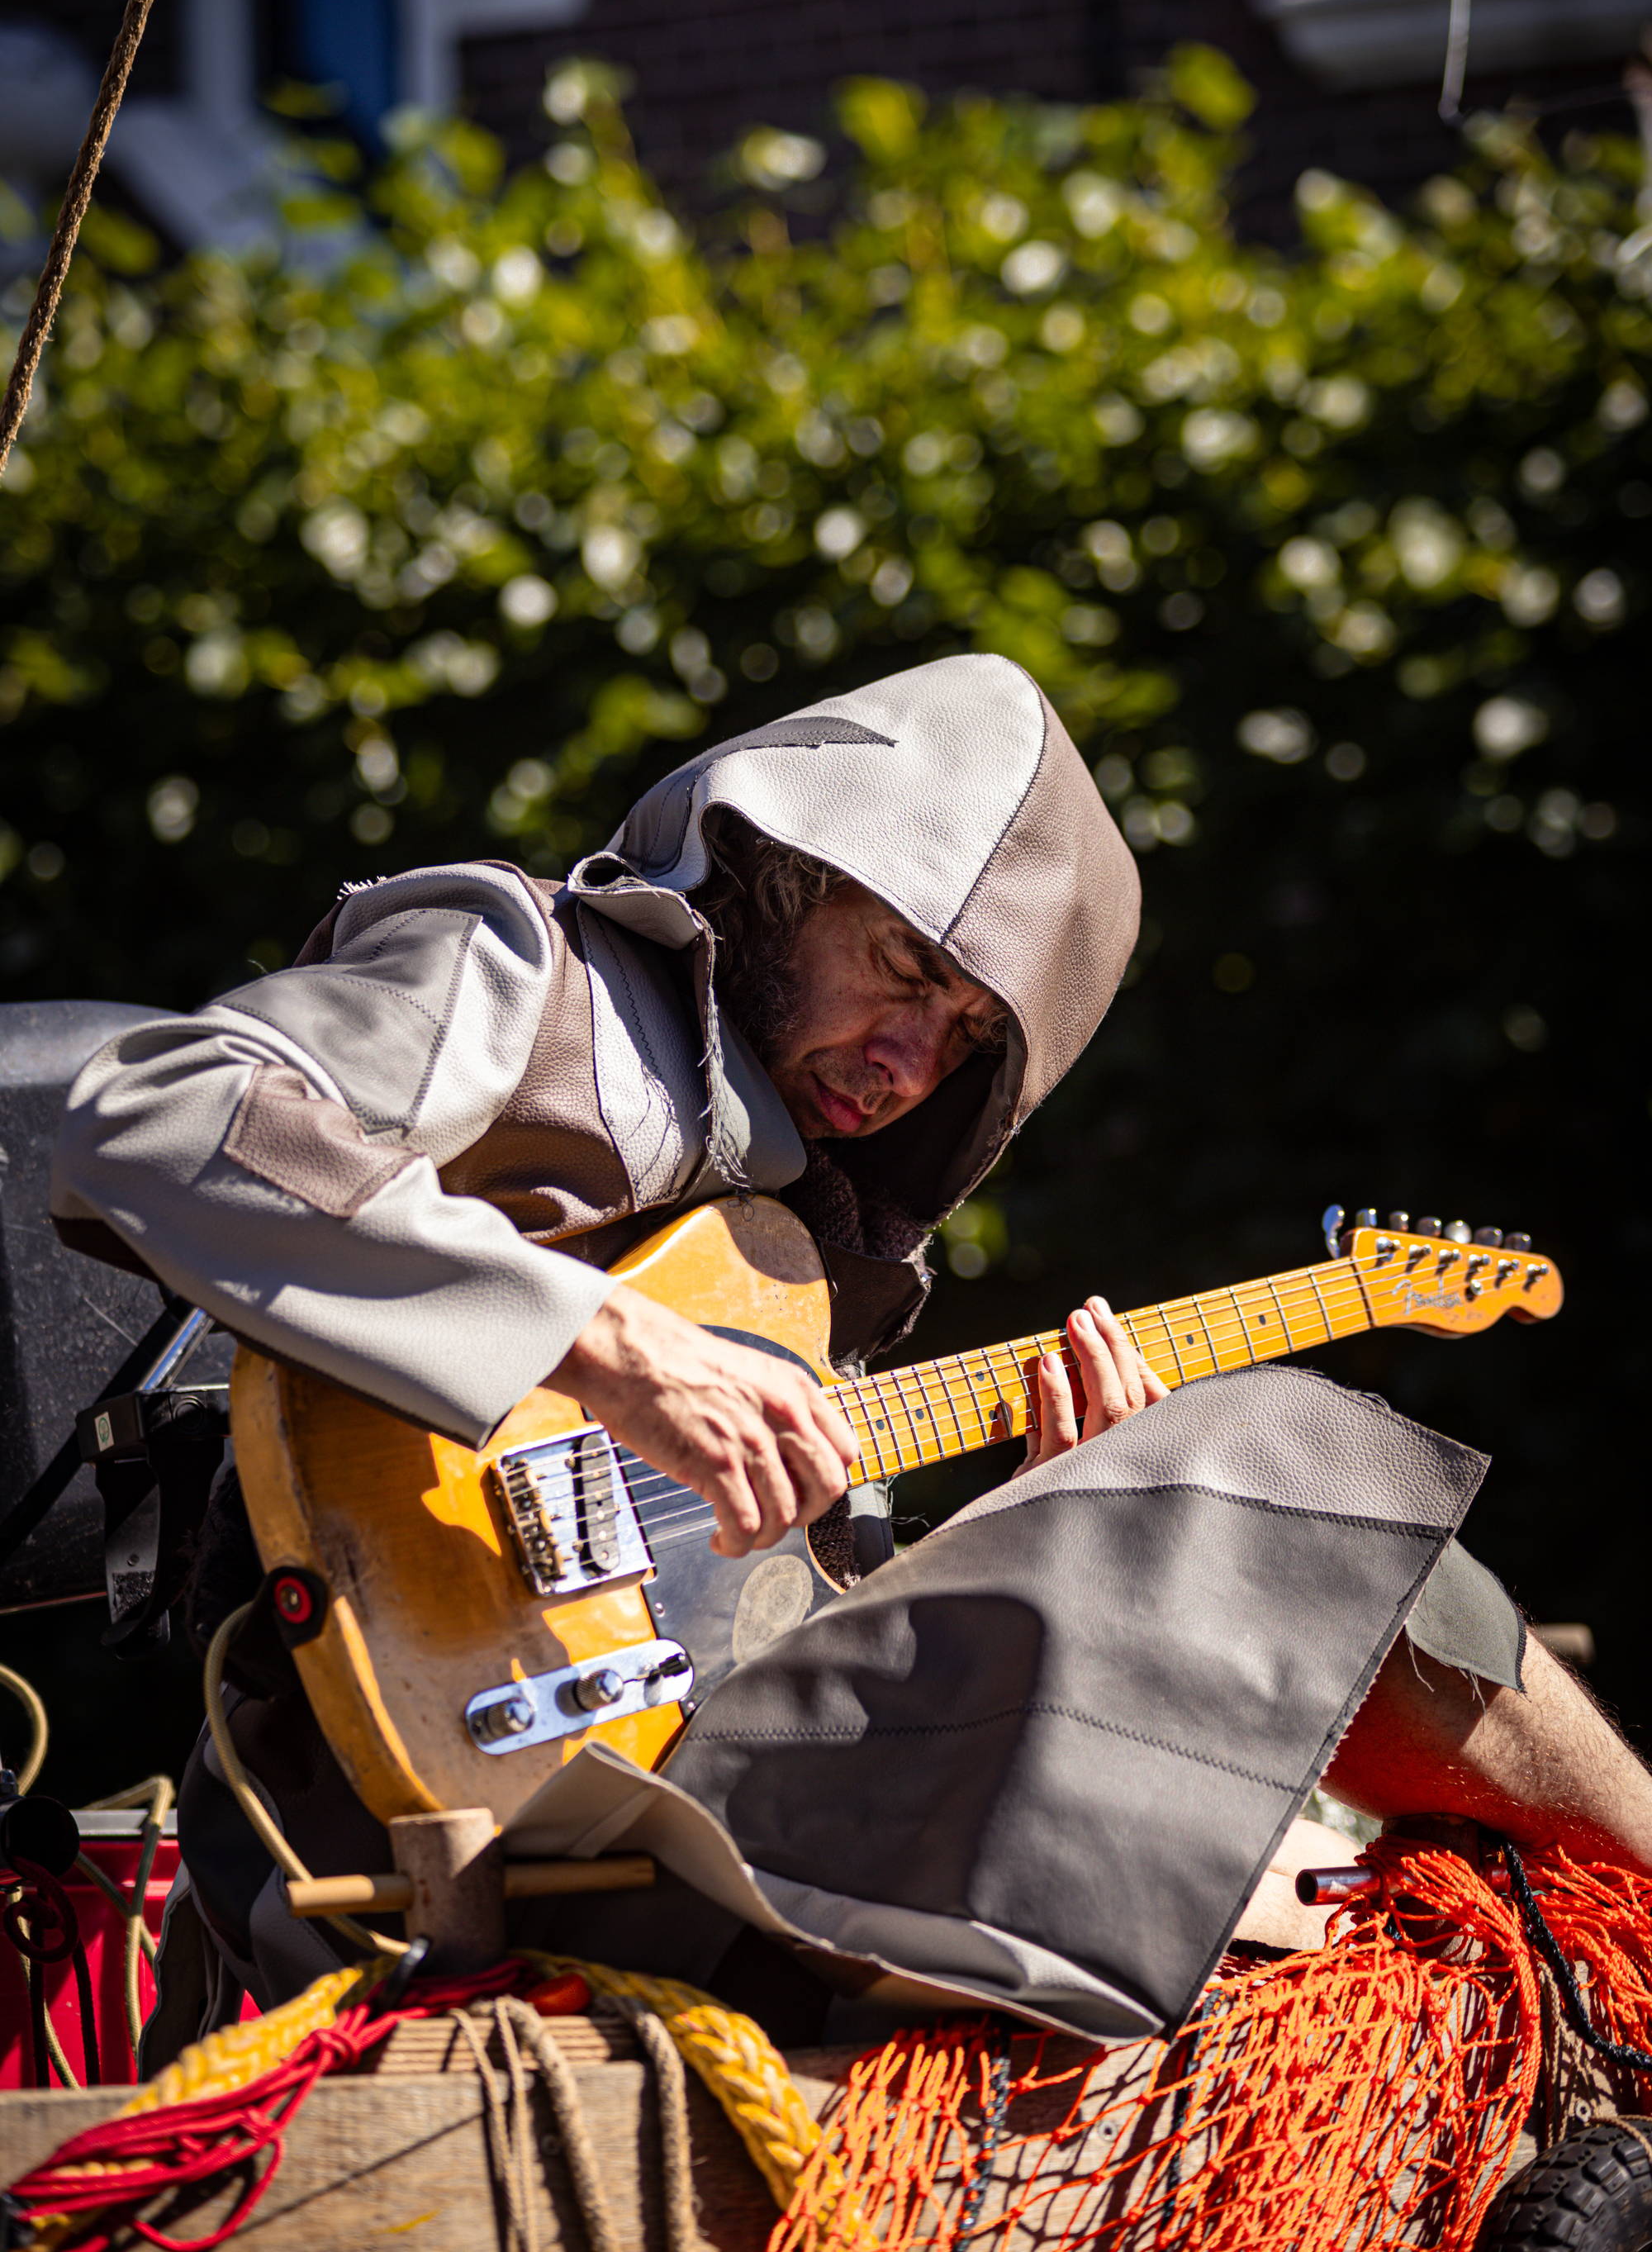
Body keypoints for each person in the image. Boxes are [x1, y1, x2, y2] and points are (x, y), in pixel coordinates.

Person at [52, 655, 1652, 2049]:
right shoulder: (523, 978)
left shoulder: (820, 1267)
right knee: (1289, 1463)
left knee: (1217, 1538)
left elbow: (759, 1624)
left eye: (962, 1037)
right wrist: (608, 1348)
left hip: (712, 1823)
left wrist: (1043, 1516)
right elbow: (147, 1112)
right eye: (902, 972)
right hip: (423, 1810)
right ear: (775, 876)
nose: (905, 1067)